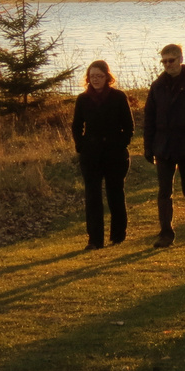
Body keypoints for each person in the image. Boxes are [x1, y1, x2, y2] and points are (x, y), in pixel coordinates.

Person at [143, 44, 185, 248]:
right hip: (164, 146)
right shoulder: (157, 86)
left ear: (180, 59)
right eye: (164, 61)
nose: (167, 65)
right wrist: (148, 147)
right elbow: (149, 119)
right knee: (164, 192)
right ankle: (166, 233)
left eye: (171, 60)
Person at [70, 60, 133, 250]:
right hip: (91, 155)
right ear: (88, 78)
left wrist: (121, 144)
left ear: (107, 77)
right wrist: (81, 145)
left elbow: (129, 127)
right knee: (93, 197)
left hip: (115, 154)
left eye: (100, 76)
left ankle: (118, 235)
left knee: (116, 194)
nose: (96, 79)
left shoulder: (118, 97)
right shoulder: (83, 99)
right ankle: (95, 240)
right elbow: (76, 126)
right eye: (92, 76)